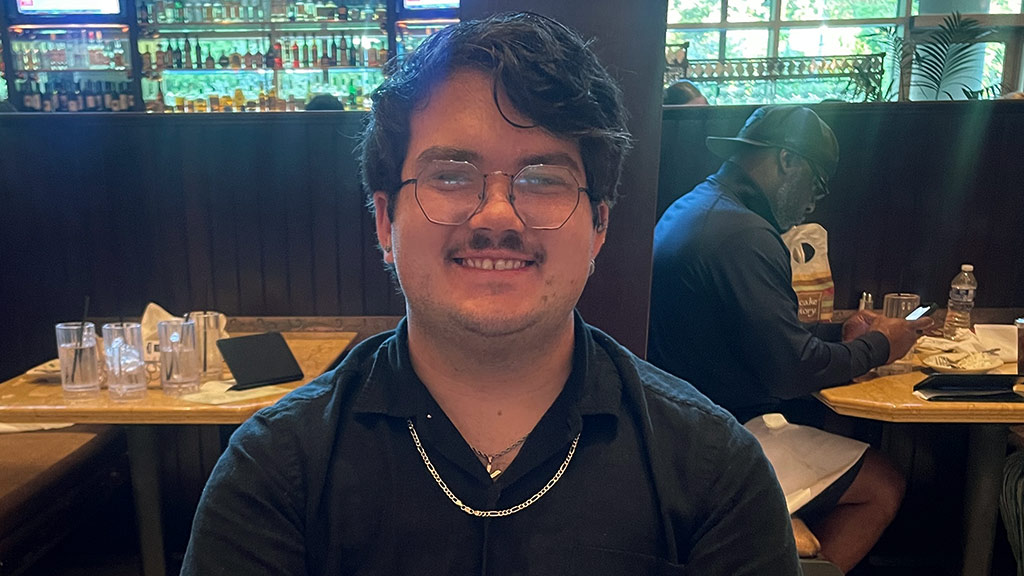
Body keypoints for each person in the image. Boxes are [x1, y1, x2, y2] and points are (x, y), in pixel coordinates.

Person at [181, 13, 800, 575]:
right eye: (451, 174)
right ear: (383, 221)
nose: (497, 214)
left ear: (599, 228)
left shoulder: (713, 472)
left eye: (542, 177)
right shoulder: (276, 474)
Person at [648, 105, 933, 573]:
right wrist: (884, 345)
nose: (813, 203)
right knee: (883, 484)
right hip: (716, 438)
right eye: (817, 183)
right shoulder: (743, 235)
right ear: (787, 161)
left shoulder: (698, 206)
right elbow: (791, 370)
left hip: (681, 423)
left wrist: (838, 335)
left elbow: (751, 333)